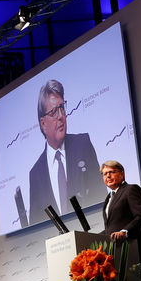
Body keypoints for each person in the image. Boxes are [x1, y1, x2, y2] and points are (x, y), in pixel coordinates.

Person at [28, 79, 105, 224]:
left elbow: (101, 196)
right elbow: (36, 225)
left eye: (62, 107)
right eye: (53, 111)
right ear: (43, 124)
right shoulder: (35, 174)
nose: (60, 116)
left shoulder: (83, 144)